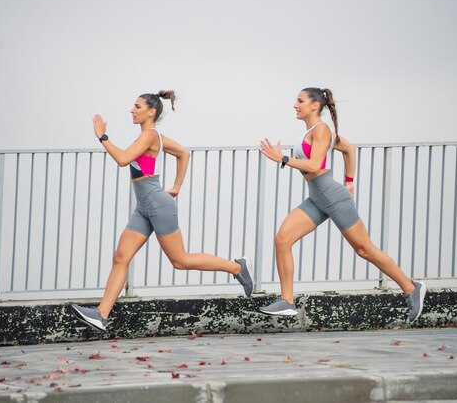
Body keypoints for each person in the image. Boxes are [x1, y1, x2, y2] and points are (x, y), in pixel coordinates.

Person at [71, 91, 253, 331]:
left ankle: (237, 267)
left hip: (157, 203)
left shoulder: (149, 135)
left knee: (180, 260)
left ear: (151, 112)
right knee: (120, 257)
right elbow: (183, 154)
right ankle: (101, 315)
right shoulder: (153, 135)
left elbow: (123, 159)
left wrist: (102, 136)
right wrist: (176, 186)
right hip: (144, 206)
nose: (132, 110)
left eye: (137, 106)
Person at [258, 87, 426, 322]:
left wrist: (283, 159)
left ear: (315, 105)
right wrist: (349, 180)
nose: (295, 105)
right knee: (282, 240)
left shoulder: (322, 130)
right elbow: (348, 148)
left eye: (300, 101)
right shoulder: (312, 131)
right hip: (317, 198)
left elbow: (315, 165)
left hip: (333, 197)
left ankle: (411, 288)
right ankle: (287, 301)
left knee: (364, 249)